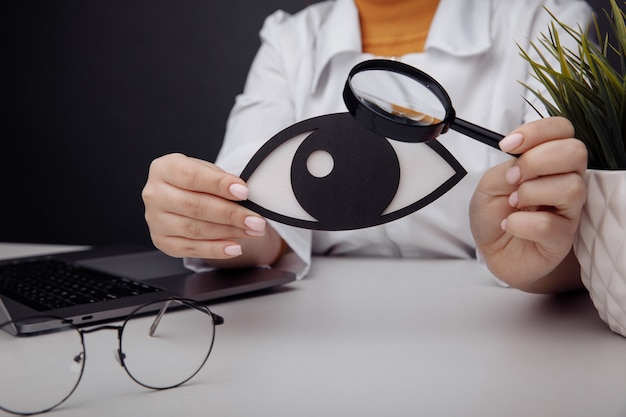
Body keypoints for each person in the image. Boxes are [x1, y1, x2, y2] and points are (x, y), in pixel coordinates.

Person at [142, 0, 592, 294]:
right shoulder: (289, 41)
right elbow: (255, 213)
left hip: (506, 330)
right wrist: (204, 219)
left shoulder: (549, 21)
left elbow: (565, 233)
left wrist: (539, 263)